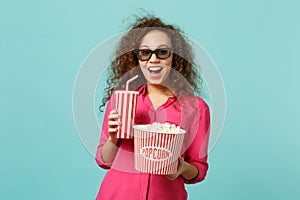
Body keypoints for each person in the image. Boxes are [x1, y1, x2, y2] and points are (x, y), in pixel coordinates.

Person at [95, 15, 210, 200]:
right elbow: (103, 160)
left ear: (175, 58)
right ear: (137, 59)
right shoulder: (121, 99)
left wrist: (181, 168)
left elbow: (199, 170)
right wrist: (113, 138)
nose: (153, 59)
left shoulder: (196, 108)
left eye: (162, 52)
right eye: (145, 52)